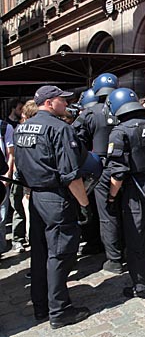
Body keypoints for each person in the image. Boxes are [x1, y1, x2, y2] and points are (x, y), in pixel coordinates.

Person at [14, 85, 90, 329]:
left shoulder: (22, 128)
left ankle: (41, 306)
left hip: (35, 196)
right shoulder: (60, 128)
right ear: (49, 102)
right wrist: (84, 204)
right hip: (56, 198)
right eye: (62, 100)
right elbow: (71, 175)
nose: (66, 104)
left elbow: (21, 167)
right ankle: (60, 310)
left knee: (40, 253)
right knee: (60, 254)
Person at [105, 88, 145, 298]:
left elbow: (118, 172)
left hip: (135, 188)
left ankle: (142, 286)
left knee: (135, 238)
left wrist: (112, 196)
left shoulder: (120, 131)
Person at [73, 73, 123, 270]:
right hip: (124, 166)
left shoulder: (90, 113)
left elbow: (76, 141)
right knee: (122, 209)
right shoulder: (123, 109)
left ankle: (114, 259)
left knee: (105, 213)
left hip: (100, 168)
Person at [9, 100, 38, 253]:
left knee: (24, 209)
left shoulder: (20, 130)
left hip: (24, 176)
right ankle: (21, 239)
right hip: (23, 177)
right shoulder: (18, 130)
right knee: (22, 209)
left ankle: (27, 239)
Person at [0, 116, 15, 256]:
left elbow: (10, 154)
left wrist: (6, 176)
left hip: (1, 180)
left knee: (2, 216)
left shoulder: (4, 127)